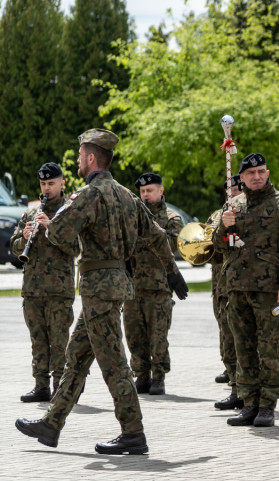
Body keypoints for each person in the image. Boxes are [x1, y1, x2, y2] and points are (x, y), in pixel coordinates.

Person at [15, 128, 188, 454]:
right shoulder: (128, 196)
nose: (78, 161)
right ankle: (52, 423)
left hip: (99, 289)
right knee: (76, 358)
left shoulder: (88, 195)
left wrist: (49, 227)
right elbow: (158, 238)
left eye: (81, 156)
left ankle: (133, 433)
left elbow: (63, 237)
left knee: (115, 364)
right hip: (117, 285)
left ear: (91, 158)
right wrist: (173, 273)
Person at [212, 152, 279, 427]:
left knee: (269, 349)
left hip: (268, 290)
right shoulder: (234, 205)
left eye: (261, 171)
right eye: (251, 173)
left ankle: (267, 404)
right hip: (237, 289)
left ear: (267, 173)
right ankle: (249, 402)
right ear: (241, 178)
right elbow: (219, 248)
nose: (257, 176)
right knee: (243, 349)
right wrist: (222, 227)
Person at [11, 162, 74, 403]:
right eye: (43, 184)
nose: (47, 189)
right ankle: (40, 386)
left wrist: (52, 228)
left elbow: (76, 247)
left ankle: (61, 386)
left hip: (59, 290)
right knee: (38, 340)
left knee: (59, 342)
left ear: (62, 183)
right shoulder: (30, 213)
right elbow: (15, 248)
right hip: (33, 290)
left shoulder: (70, 211)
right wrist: (24, 237)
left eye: (51, 184)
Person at [125, 172, 182, 396]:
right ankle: (141, 375)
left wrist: (148, 228)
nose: (146, 195)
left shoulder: (171, 218)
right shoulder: (131, 217)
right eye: (142, 192)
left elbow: (172, 245)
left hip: (159, 288)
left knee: (158, 336)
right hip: (133, 287)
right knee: (134, 335)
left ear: (161, 191)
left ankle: (158, 376)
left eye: (150, 191)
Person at [210, 174, 243, 407]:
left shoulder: (248, 211)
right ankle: (234, 388)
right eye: (228, 190)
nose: (231, 193)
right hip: (221, 287)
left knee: (244, 341)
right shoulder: (218, 215)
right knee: (227, 341)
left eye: (235, 188)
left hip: (244, 285)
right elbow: (211, 248)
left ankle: (248, 392)